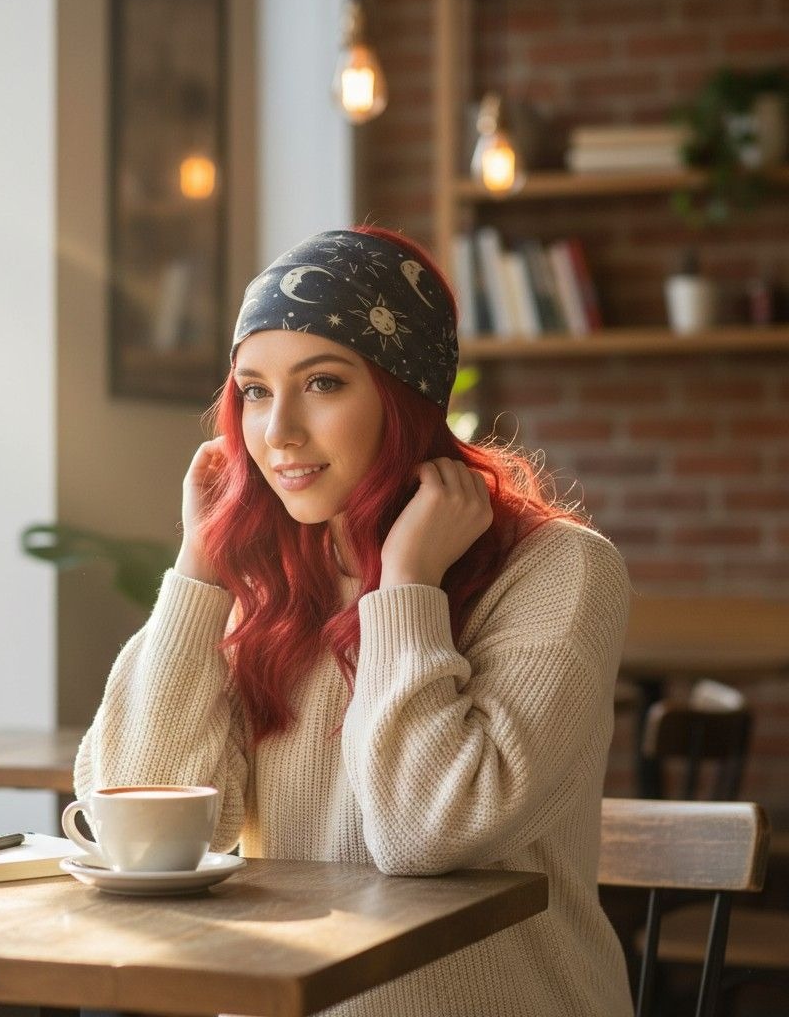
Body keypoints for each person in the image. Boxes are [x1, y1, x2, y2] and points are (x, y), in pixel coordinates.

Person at [74, 226, 634, 1016]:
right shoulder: (263, 577)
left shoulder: (560, 569)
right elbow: (133, 830)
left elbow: (428, 835)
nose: (278, 434)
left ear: (407, 398)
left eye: (324, 383)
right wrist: (201, 565)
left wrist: (407, 586)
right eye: (255, 391)